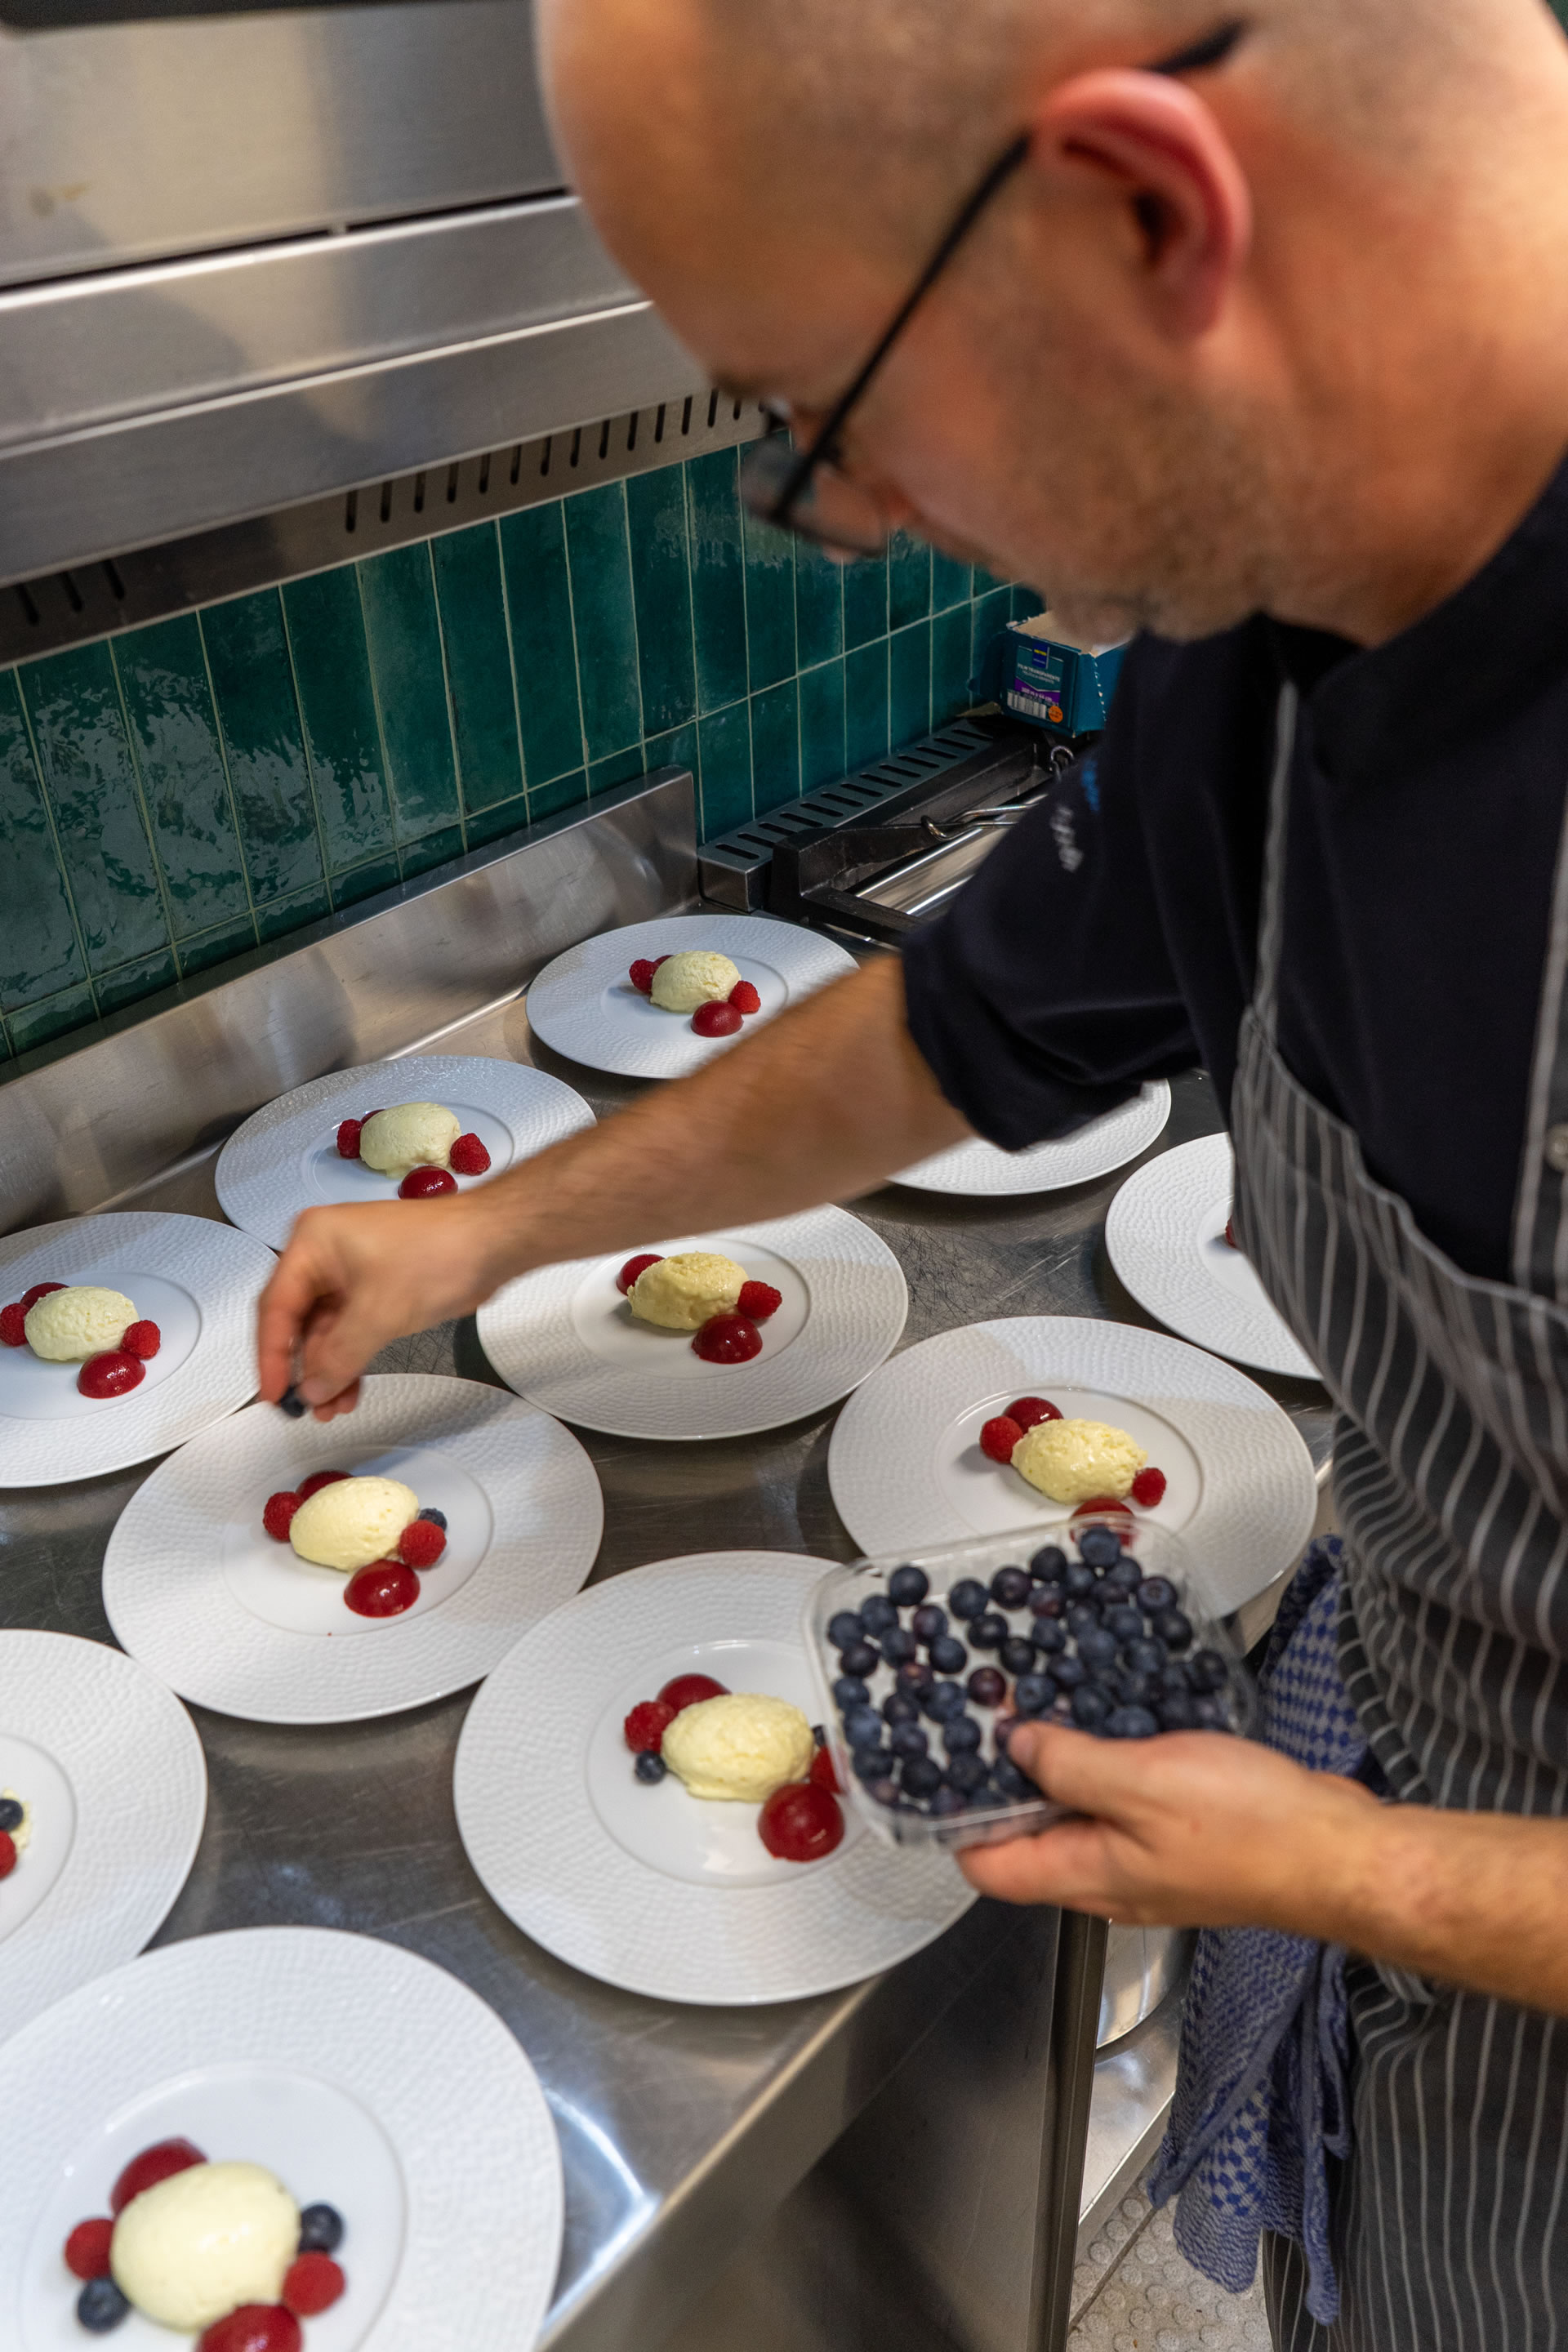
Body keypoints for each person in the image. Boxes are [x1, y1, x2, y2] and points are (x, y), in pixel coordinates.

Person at [256, 0, 1568, 2341]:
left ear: (1153, 214)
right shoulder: (1271, 641)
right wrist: (485, 1231)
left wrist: (1371, 1869)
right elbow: (959, 1024)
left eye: (813, 418)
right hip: (1443, 2021)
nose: (850, 519)